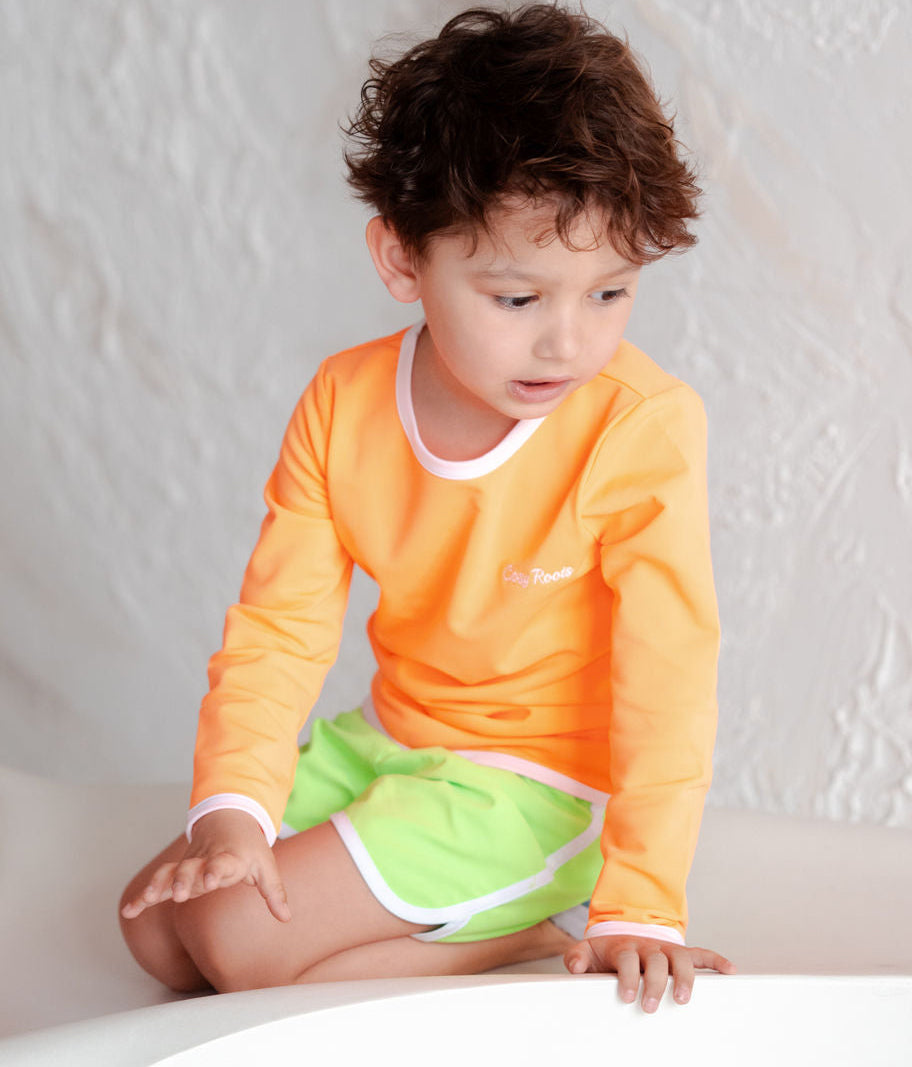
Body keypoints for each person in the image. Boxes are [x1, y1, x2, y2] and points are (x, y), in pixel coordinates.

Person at [119, 2, 735, 1014]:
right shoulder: (342, 400)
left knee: (235, 942)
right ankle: (467, 913)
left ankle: (539, 926)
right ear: (403, 259)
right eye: (518, 299)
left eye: (609, 293)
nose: (568, 344)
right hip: (392, 738)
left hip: (539, 782)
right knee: (151, 928)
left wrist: (643, 903)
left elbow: (670, 675)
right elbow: (279, 627)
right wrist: (233, 810)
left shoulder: (640, 425)